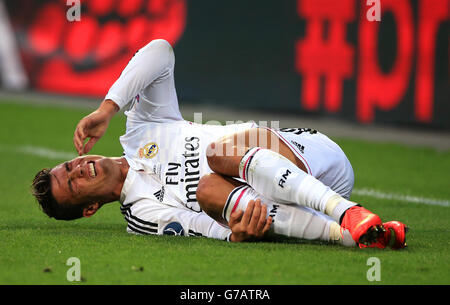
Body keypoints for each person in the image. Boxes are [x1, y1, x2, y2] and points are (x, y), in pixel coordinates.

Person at [31, 39, 407, 248]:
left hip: (312, 159)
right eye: (74, 183)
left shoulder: (140, 129)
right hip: (285, 207)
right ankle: (356, 231)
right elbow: (204, 227)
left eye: (69, 166)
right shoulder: (142, 216)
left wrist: (108, 107)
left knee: (217, 154)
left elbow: (160, 51)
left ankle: (343, 212)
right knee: (210, 191)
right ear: (91, 208)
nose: (77, 169)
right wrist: (237, 233)